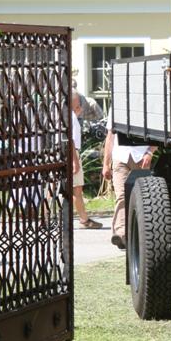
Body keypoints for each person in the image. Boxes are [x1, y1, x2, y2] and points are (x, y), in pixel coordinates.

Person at [102, 112, 155, 249]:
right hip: (120, 156)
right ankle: (121, 233)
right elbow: (110, 137)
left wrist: (150, 152)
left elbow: (158, 132)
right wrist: (106, 164)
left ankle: (140, 234)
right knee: (121, 195)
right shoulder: (115, 106)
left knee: (143, 197)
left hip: (141, 156)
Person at [71, 92, 103, 229]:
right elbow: (70, 140)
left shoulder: (69, 116)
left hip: (70, 152)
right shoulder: (71, 117)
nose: (80, 102)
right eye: (78, 100)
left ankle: (44, 214)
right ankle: (84, 219)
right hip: (72, 153)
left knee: (59, 187)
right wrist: (75, 161)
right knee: (77, 188)